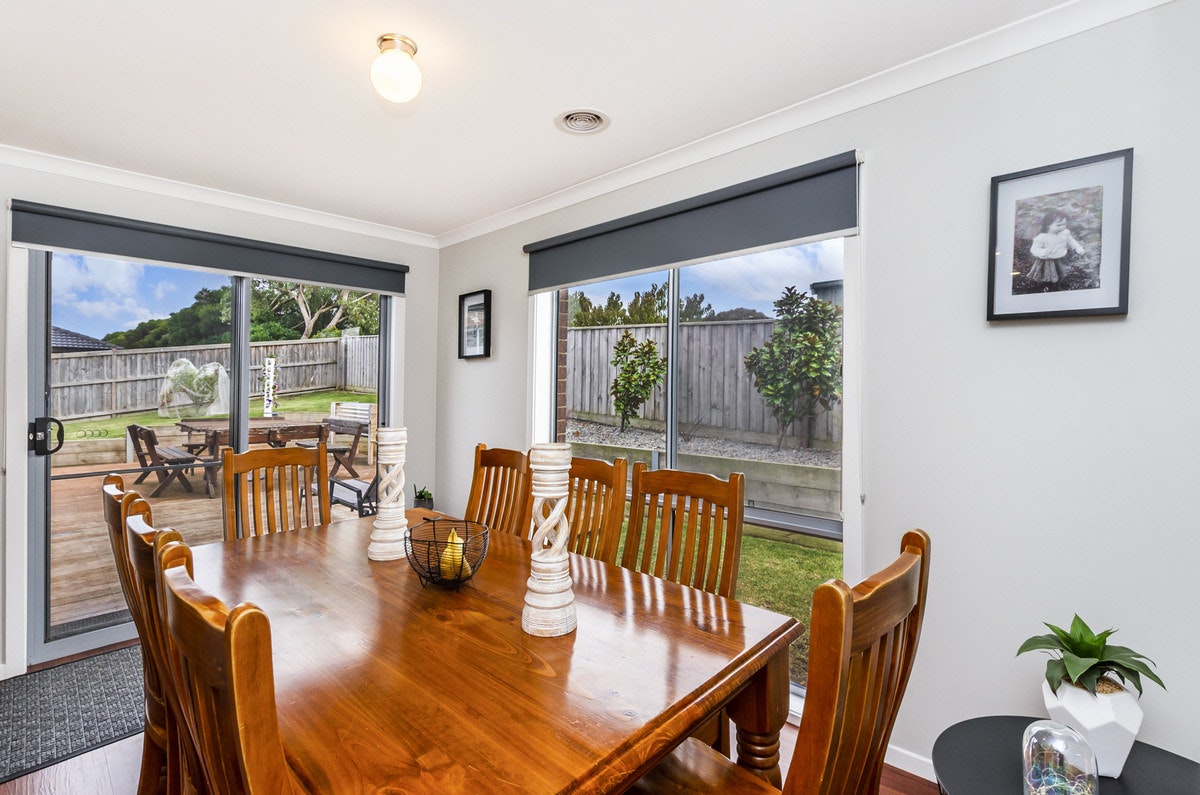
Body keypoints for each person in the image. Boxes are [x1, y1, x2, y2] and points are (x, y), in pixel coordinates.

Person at [1026, 210, 1085, 290]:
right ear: (1048, 225)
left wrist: (1078, 248)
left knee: (1062, 272)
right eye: (1059, 225)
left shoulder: (1064, 233)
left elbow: (1071, 241)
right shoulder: (1042, 237)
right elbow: (1034, 249)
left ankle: (1061, 283)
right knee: (1048, 275)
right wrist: (1043, 252)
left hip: (1061, 258)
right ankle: (1046, 286)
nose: (1062, 227)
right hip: (1048, 261)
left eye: (1064, 224)